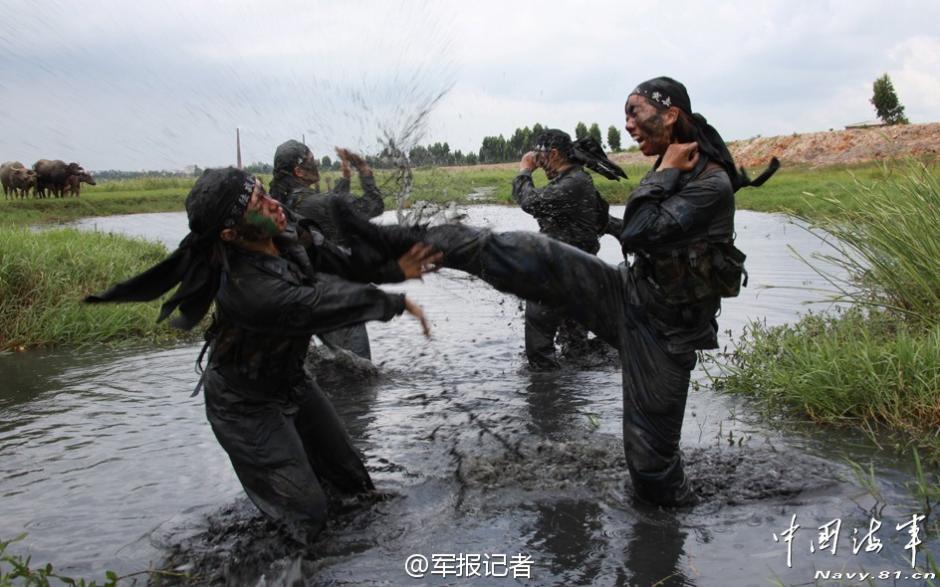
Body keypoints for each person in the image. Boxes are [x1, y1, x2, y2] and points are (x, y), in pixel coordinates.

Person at [408, 77, 778, 506]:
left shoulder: (707, 182)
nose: (627, 124)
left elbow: (638, 230)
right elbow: (620, 225)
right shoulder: (674, 168)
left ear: (671, 113)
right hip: (629, 291)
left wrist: (663, 173)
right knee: (537, 255)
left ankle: (669, 532)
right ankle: (407, 244)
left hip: (665, 331)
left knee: (651, 473)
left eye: (634, 112)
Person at [86, 167, 440, 543]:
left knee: (353, 485)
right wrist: (391, 301)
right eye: (258, 202)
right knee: (307, 516)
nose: (274, 204)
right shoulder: (248, 290)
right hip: (244, 406)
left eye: (262, 190)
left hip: (291, 383)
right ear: (231, 234)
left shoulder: (284, 231)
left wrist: (391, 269)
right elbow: (317, 304)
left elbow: (335, 259)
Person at [512, 128, 625, 369]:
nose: (539, 163)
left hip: (559, 277)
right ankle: (571, 395)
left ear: (553, 154)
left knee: (539, 354)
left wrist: (524, 171)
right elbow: (603, 220)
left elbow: (530, 202)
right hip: (578, 278)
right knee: (575, 353)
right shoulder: (578, 181)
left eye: (540, 157)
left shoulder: (573, 182)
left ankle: (546, 397)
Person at [269, 139, 386, 360]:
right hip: (336, 302)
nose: (317, 166)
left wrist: (345, 180)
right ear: (299, 171)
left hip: (303, 302)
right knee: (359, 374)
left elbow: (328, 211)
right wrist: (365, 171)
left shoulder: (280, 205)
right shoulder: (319, 203)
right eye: (312, 161)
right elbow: (374, 205)